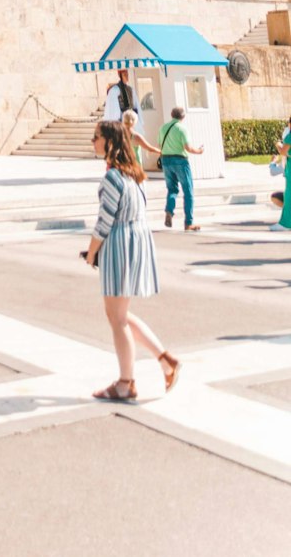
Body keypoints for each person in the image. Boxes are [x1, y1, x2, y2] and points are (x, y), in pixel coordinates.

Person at [84, 120, 180, 401]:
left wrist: (91, 252)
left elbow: (104, 222)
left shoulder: (113, 178)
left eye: (96, 137)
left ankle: (126, 382)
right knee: (120, 315)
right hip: (136, 241)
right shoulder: (134, 176)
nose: (93, 142)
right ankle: (165, 359)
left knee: (116, 318)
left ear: (109, 142)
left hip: (120, 246)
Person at [158, 106, 204, 231]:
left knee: (172, 189)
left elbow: (159, 144)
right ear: (183, 117)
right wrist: (199, 151)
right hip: (180, 160)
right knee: (188, 191)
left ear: (171, 115)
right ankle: (188, 222)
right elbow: (188, 148)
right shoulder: (182, 129)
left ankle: (169, 210)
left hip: (166, 160)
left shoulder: (163, 128)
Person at [270, 115, 291, 232]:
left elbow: (283, 152)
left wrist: (278, 144)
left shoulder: (289, 136)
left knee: (289, 197)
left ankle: (285, 223)